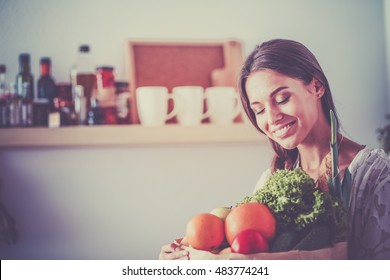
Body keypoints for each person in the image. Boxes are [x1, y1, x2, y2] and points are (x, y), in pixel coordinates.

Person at [159, 39, 390, 260]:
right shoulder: (271, 179)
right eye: (259, 110)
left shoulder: (376, 177)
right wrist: (183, 252)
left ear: (316, 86)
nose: (272, 118)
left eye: (281, 98)